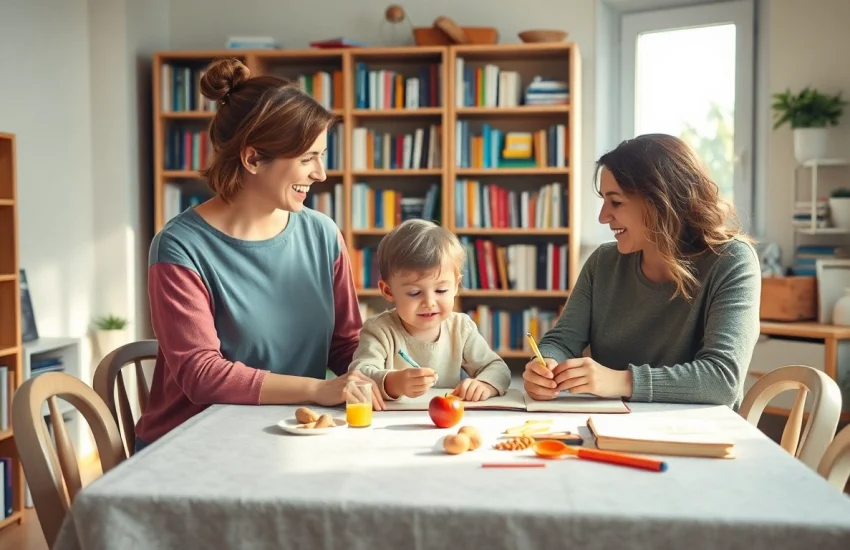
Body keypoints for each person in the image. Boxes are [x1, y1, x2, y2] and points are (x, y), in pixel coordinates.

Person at [134, 58, 384, 451]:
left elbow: (347, 344)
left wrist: (387, 371)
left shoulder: (322, 235)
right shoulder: (179, 247)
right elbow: (203, 375)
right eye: (307, 159)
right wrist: (318, 390)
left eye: (321, 156)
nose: (321, 174)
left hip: (291, 432)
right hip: (191, 445)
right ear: (252, 159)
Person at [523, 133, 760, 409]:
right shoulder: (602, 263)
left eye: (616, 202)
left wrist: (620, 381)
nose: (603, 217)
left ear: (661, 201)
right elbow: (562, 341)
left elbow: (722, 380)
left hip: (701, 436)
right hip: (612, 427)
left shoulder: (732, 261)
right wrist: (545, 366)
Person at [348, 219, 512, 401]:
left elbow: (498, 368)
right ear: (388, 291)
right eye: (414, 292)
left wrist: (485, 384)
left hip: (448, 420)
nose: (429, 302)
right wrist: (393, 382)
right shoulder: (379, 330)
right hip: (393, 422)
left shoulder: (461, 328)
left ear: (456, 286)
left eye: (441, 291)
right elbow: (358, 374)